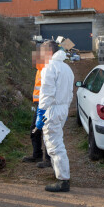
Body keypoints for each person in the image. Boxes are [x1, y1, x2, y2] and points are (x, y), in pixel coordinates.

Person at [36, 40, 74, 192]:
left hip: (52, 109)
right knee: (56, 141)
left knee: (55, 145)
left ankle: (63, 180)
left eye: (43, 52)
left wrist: (41, 112)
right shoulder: (66, 68)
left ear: (49, 52)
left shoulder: (49, 68)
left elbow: (46, 93)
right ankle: (59, 173)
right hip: (62, 108)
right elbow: (71, 93)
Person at [21, 47, 51, 168]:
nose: (34, 61)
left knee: (46, 132)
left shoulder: (47, 70)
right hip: (40, 104)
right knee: (35, 130)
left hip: (46, 105)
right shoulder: (39, 69)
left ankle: (48, 159)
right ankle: (37, 154)